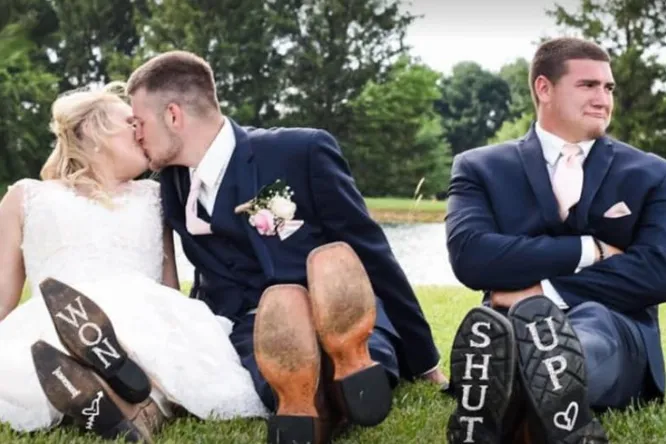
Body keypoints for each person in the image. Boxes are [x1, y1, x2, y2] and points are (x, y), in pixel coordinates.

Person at [126, 50, 447, 444]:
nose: (136, 135)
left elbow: (371, 251)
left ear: (174, 116)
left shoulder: (299, 151)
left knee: (357, 341)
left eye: (139, 123)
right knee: (273, 374)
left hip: (333, 303)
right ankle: (318, 399)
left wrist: (424, 360)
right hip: (256, 327)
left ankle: (343, 363)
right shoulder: (170, 186)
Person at [0, 85, 268, 441]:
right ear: (95, 132)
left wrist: (184, 331)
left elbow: (167, 286)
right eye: (131, 124)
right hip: (57, 318)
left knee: (146, 333)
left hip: (145, 313)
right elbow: (3, 293)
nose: (142, 131)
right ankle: (116, 385)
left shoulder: (155, 196)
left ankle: (107, 383)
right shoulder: (28, 196)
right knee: (65, 335)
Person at [444, 36, 666, 444]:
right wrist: (590, 250)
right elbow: (471, 256)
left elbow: (657, 270)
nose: (603, 98)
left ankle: (509, 386)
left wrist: (541, 291)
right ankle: (524, 387)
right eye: (588, 85)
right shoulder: (479, 167)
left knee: (592, 326)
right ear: (544, 88)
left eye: (608, 87)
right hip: (506, 323)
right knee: (515, 333)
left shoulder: (652, 173)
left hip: (617, 327)